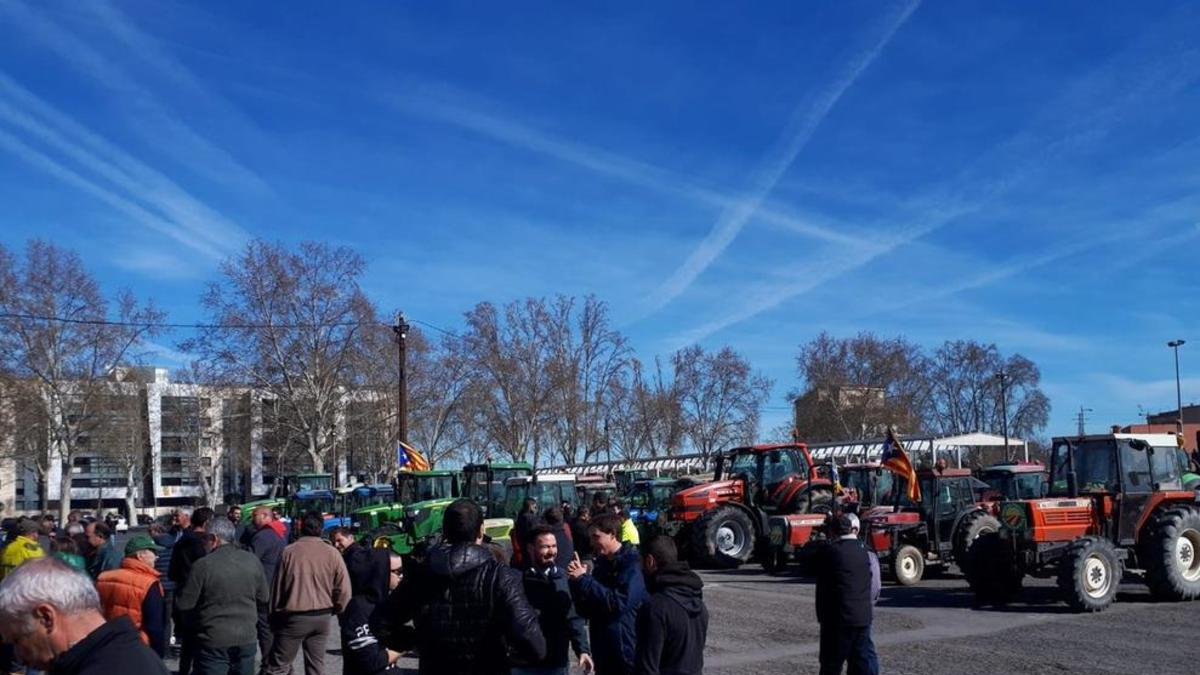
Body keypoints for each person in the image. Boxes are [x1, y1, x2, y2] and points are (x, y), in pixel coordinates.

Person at [381, 498, 546, 675]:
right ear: (481, 530)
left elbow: (382, 622)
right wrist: (503, 654)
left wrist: (417, 640)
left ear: (444, 531)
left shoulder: (421, 574)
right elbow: (534, 645)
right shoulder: (500, 576)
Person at [0, 558, 168, 675]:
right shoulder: (127, 653)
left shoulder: (108, 667)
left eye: (18, 640)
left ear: (46, 618)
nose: (19, 655)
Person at [175, 518, 269, 675]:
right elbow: (264, 598)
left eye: (204, 538)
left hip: (213, 639)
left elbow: (185, 604)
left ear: (214, 539)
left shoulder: (203, 565)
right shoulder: (252, 560)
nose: (202, 543)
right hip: (246, 637)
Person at [263, 512, 351, 675]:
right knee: (316, 666)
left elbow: (277, 588)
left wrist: (273, 617)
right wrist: (338, 610)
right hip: (322, 617)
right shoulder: (332, 553)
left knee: (279, 666)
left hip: (295, 617)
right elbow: (344, 589)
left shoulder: (289, 552)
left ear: (301, 527)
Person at [567, 513, 648, 675]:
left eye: (596, 537)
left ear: (612, 535)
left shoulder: (631, 565)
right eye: (591, 538)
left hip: (625, 651)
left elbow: (619, 603)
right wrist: (576, 583)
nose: (592, 542)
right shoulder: (602, 565)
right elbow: (589, 608)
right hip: (603, 651)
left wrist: (585, 580)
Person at [515, 526, 593, 675]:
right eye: (545, 547)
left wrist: (582, 650)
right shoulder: (516, 579)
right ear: (531, 548)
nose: (551, 552)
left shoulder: (563, 578)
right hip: (523, 662)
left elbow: (573, 616)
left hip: (555, 660)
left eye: (554, 546)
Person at [813, 512, 879, 675]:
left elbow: (822, 586)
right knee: (860, 664)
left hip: (838, 619)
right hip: (862, 618)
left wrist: (822, 618)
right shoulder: (866, 552)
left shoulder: (830, 552)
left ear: (834, 532)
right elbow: (874, 585)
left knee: (831, 665)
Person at [633, 537, 708, 675]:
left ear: (650, 561)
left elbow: (646, 667)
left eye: (641, 563)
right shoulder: (699, 603)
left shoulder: (655, 608)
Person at [95, 535, 167, 657]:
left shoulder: (103, 578)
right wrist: (158, 654)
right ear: (140, 556)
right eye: (153, 552)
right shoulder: (148, 583)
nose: (156, 557)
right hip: (138, 647)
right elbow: (154, 626)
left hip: (108, 644)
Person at [338, 552, 407, 675]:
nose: (402, 576)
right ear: (380, 572)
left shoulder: (389, 602)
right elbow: (371, 662)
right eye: (398, 571)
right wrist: (406, 644)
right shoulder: (359, 608)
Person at [169, 506, 213, 675]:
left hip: (185, 593)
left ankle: (184, 670)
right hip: (204, 595)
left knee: (188, 638)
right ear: (207, 522)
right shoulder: (208, 543)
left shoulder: (181, 542)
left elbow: (172, 572)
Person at [245, 506, 285, 661]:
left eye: (254, 515)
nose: (252, 519)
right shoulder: (279, 532)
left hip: (264, 588)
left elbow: (250, 560)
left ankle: (269, 663)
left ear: (264, 516)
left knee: (265, 629)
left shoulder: (262, 536)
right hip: (277, 587)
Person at [512, 498, 542, 568]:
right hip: (530, 550)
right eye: (535, 507)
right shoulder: (531, 519)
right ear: (530, 506)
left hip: (522, 549)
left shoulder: (520, 518)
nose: (536, 509)